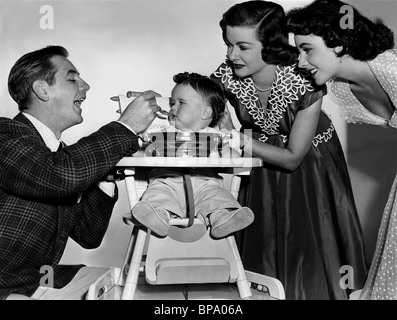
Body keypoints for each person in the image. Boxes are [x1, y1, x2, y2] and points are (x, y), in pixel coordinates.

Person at [209, 1, 368, 300]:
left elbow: (293, 157)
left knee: (309, 246)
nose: (231, 55)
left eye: (242, 46)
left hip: (312, 163)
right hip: (258, 164)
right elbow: (204, 109)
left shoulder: (306, 78)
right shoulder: (226, 74)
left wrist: (235, 138)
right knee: (262, 239)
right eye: (228, 45)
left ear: (270, 44)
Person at [0, 45, 161, 300]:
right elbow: (60, 176)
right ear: (42, 89)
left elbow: (88, 235)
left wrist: (104, 177)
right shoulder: (6, 137)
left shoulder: (57, 155)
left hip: (31, 281)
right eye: (72, 78)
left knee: (114, 284)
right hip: (6, 287)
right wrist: (126, 127)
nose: (85, 86)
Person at [287, 0, 397, 300]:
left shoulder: (391, 67)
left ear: (338, 44)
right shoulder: (344, 88)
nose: (300, 61)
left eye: (307, 49)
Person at [132, 72, 255, 239]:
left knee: (218, 197)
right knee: (158, 195)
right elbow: (141, 154)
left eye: (181, 103)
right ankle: (159, 216)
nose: (173, 108)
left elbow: (237, 160)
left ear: (205, 113)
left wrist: (225, 149)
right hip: (168, 183)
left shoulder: (215, 136)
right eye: (172, 103)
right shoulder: (163, 131)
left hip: (205, 186)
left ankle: (222, 218)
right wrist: (147, 144)